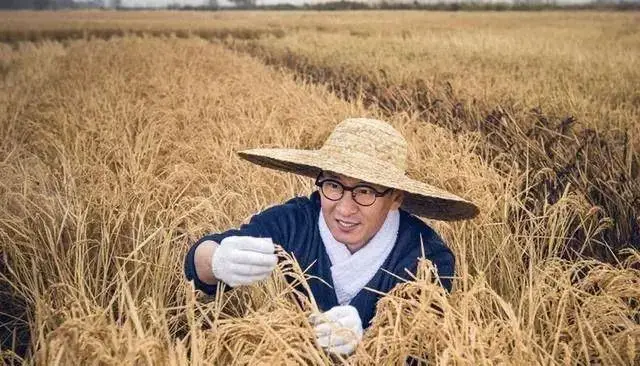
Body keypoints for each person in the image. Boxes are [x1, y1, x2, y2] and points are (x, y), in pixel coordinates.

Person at [184, 118, 478, 356]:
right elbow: (199, 260)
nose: (344, 208)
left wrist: (369, 340)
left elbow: (420, 349)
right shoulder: (295, 223)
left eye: (365, 191)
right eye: (334, 185)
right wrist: (216, 261)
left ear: (396, 198)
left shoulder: (426, 258)